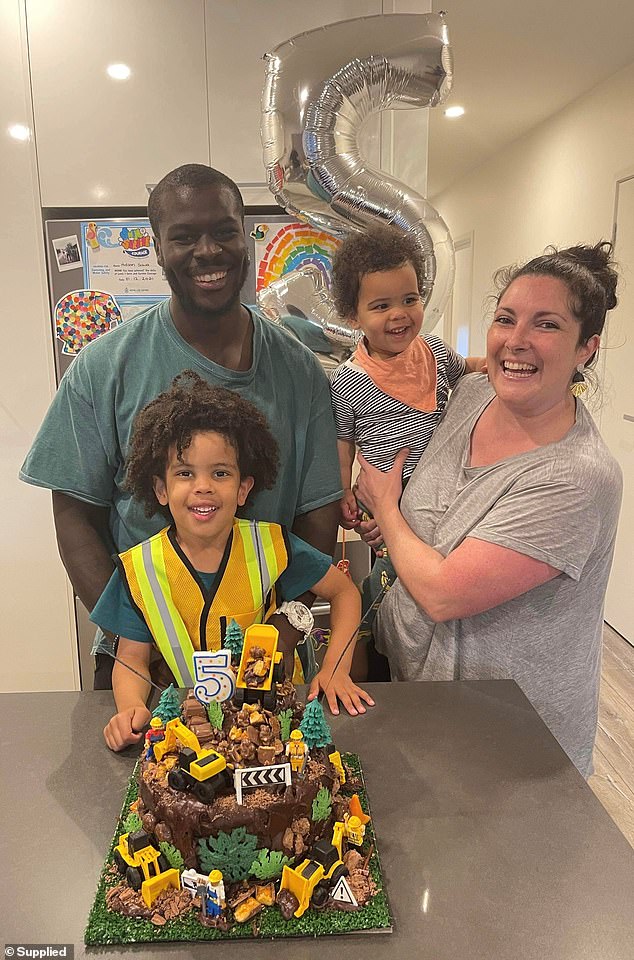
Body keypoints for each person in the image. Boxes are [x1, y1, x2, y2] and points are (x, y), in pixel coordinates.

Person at [20, 164, 342, 687]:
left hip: (262, 659)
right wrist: (143, 635)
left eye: (224, 231)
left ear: (246, 237)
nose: (208, 252)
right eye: (184, 237)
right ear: (157, 247)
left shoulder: (299, 369)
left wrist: (289, 620)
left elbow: (318, 508)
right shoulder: (105, 367)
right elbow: (75, 516)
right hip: (141, 667)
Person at [355, 242, 622, 777]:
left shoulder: (576, 477)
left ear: (585, 349)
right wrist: (395, 520)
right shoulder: (473, 393)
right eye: (506, 319)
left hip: (511, 738)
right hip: (420, 697)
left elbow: (445, 592)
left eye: (546, 325)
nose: (516, 341)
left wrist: (384, 507)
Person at [95, 372, 371, 751]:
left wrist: (336, 668)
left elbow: (344, 593)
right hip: (185, 738)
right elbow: (131, 660)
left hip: (273, 728)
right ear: (161, 489)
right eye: (185, 473)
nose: (203, 486)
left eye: (220, 473)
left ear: (243, 488)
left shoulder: (271, 545)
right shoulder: (140, 568)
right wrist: (129, 708)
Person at [329, 225, 484, 653]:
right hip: (388, 506)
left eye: (409, 299)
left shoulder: (433, 351)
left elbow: (466, 367)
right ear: (352, 316)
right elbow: (343, 442)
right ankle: (390, 655)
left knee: (443, 585)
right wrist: (343, 491)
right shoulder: (349, 379)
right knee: (396, 594)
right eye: (381, 305)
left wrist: (497, 364)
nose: (399, 314)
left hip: (444, 501)